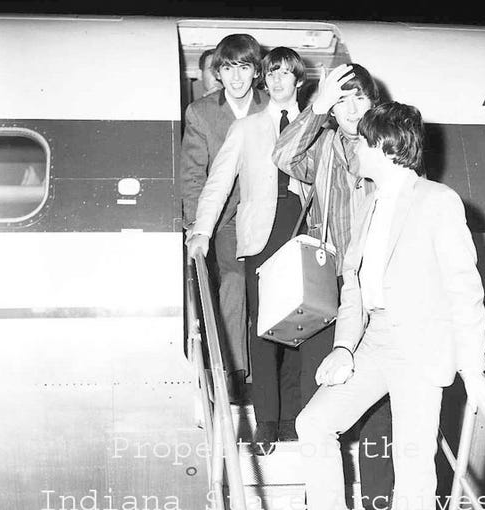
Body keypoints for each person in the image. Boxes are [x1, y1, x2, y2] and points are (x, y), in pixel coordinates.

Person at [295, 102, 485, 510]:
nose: (354, 149)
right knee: (313, 423)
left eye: (361, 142)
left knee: (413, 471)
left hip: (419, 348)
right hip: (375, 340)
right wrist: (343, 348)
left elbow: (465, 291)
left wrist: (473, 370)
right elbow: (352, 285)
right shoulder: (369, 203)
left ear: (384, 147)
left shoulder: (438, 201)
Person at [188, 47, 331, 454]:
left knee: (304, 324)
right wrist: (202, 230)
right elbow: (218, 183)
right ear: (264, 80)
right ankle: (266, 421)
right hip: (261, 236)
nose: (277, 81)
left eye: (285, 73)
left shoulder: (319, 125)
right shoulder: (246, 127)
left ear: (299, 81)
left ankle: (293, 419)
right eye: (271, 74)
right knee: (264, 327)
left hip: (305, 230)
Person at [272, 63, 394, 508]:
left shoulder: (388, 147)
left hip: (376, 287)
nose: (352, 109)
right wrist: (317, 108)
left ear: (373, 102)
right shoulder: (322, 144)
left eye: (359, 97)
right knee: (316, 396)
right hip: (329, 288)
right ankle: (319, 498)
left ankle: (379, 500)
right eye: (341, 100)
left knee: (379, 407)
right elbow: (283, 157)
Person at [181, 34, 267, 401]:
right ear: (218, 73)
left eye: (243, 68)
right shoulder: (201, 113)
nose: (236, 78)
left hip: (267, 212)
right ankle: (235, 375)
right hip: (225, 218)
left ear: (256, 71)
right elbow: (192, 175)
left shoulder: (271, 105)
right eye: (228, 69)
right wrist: (196, 229)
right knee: (233, 279)